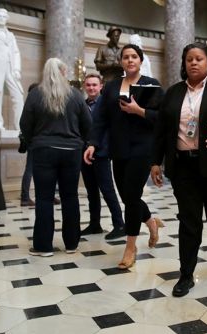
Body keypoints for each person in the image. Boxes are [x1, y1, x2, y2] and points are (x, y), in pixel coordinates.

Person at [150, 42, 207, 297]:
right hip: (183, 166)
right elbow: (161, 131)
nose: (193, 63)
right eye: (189, 60)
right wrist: (155, 161)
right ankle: (186, 275)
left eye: (199, 59)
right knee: (189, 223)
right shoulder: (173, 93)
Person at [84, 44, 164, 269]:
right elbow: (100, 119)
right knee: (128, 197)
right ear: (121, 62)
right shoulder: (110, 87)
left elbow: (163, 117)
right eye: (126, 57)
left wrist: (138, 110)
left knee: (132, 195)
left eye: (134, 57)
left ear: (140, 60)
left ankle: (130, 247)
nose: (130, 60)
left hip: (143, 148)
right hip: (118, 149)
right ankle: (150, 222)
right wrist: (92, 144)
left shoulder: (151, 84)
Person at [19, 58, 91, 256]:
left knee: (44, 198)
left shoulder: (35, 95)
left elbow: (24, 123)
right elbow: (88, 123)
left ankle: (43, 247)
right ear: (63, 72)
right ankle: (71, 244)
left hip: (44, 151)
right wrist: (79, 142)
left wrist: (35, 140)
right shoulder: (75, 95)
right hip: (71, 152)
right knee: (70, 197)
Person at [80, 73, 125, 238]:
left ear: (100, 87)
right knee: (91, 191)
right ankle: (94, 224)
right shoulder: (82, 105)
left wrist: (98, 146)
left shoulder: (106, 105)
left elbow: (108, 130)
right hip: (84, 153)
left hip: (101, 152)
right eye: (88, 85)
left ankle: (119, 224)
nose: (91, 88)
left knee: (107, 190)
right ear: (85, 86)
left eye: (94, 85)